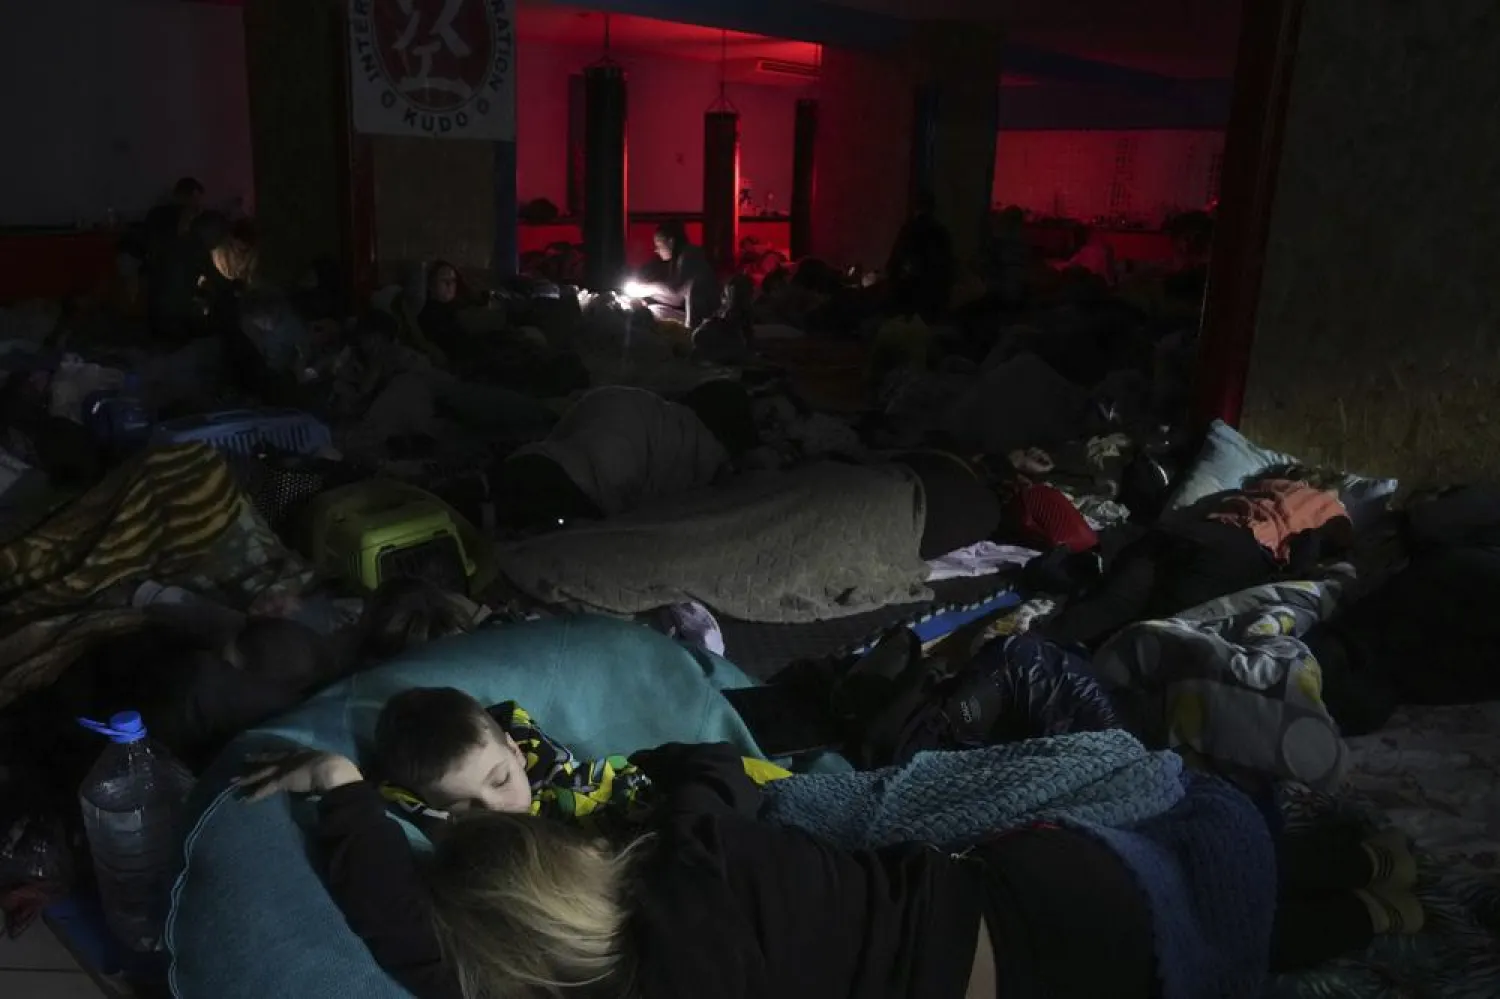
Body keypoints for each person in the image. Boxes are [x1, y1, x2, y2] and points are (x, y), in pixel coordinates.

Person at [237, 738, 1411, 999]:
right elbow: (711, 777)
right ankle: (1340, 853)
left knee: (1213, 953)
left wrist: (345, 810)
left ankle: (1363, 904)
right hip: (1047, 880)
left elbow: (413, 955)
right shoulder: (684, 852)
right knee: (1196, 870)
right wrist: (342, 781)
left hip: (1070, 975)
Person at [1041, 466, 1355, 648]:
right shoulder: (1333, 509)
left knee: (1107, 605)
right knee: (1153, 631)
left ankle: (1020, 656)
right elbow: (1317, 542)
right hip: (1235, 550)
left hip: (1181, 533)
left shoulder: (1266, 485)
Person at [372, 687, 654, 833]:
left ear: (516, 750)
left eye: (500, 780)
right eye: (462, 806)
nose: (494, 809)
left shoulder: (570, 785)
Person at [633, 221, 720, 329]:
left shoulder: (689, 255)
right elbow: (675, 298)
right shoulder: (684, 256)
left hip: (705, 324)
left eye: (658, 245)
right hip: (701, 320)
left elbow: (675, 293)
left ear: (671, 242)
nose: (656, 250)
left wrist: (646, 289)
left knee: (656, 312)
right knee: (656, 310)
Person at [886, 190, 955, 321]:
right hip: (934, 299)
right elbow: (947, 267)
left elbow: (895, 263)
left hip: (910, 296)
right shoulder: (941, 233)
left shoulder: (910, 230)